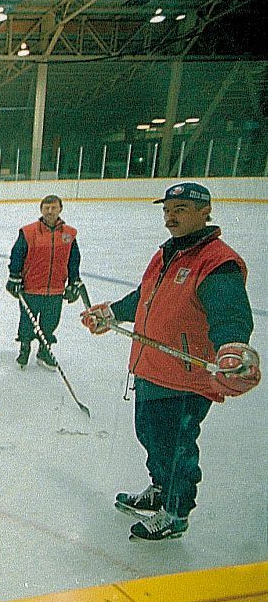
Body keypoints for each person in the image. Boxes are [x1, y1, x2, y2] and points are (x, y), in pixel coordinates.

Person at [81, 182, 259, 541]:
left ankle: (176, 512)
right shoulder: (167, 254)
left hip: (186, 376)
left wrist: (233, 347)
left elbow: (230, 314)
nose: (170, 217)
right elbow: (146, 297)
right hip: (152, 367)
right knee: (150, 434)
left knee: (176, 445)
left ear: (205, 211)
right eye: (167, 210)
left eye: (180, 209)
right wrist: (112, 313)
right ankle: (161, 490)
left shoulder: (216, 261)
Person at [5, 195, 83, 371]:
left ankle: (44, 351)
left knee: (50, 323)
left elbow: (74, 260)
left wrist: (74, 281)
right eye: (46, 208)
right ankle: (25, 348)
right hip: (31, 287)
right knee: (27, 322)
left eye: (54, 207)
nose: (50, 211)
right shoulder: (28, 231)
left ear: (60, 209)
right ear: (41, 209)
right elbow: (17, 254)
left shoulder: (69, 234)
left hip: (55, 289)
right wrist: (14, 277)